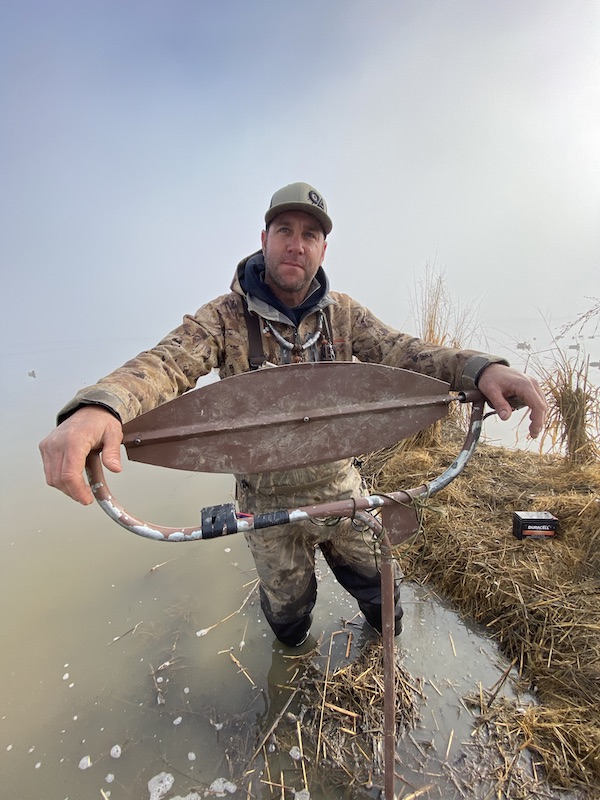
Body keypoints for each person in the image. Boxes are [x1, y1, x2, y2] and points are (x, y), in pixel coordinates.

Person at [39, 182, 547, 647]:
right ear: (265, 238)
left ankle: (383, 648)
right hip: (263, 505)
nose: (296, 244)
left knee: (383, 598)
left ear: (323, 249)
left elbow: (407, 353)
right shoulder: (223, 318)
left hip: (342, 490)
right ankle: (291, 673)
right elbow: (165, 363)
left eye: (310, 235)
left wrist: (481, 370)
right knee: (288, 620)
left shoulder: (343, 315)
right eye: (285, 230)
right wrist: (99, 405)